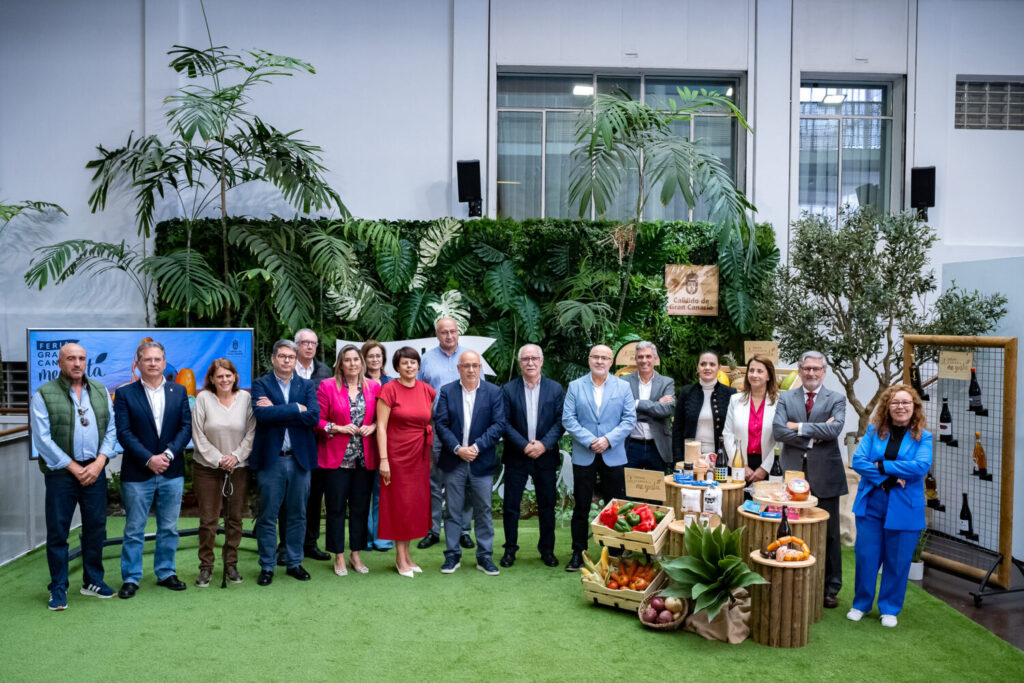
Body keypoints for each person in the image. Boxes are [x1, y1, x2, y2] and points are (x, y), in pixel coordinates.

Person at [31, 343, 118, 610]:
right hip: (62, 475)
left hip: (95, 470)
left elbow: (112, 429)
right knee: (58, 532)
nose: (77, 363)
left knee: (96, 528)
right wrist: (73, 467)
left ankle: (92, 581)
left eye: (81, 358)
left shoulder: (101, 391)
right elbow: (43, 440)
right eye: (71, 358)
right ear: (60, 363)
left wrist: (100, 462)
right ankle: (58, 588)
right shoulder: (44, 394)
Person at [114, 340, 192, 599]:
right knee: (134, 528)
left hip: (171, 470)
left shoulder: (179, 392)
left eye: (157, 359)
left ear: (164, 361)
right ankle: (131, 577)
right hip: (138, 472)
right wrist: (149, 459)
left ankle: (166, 572)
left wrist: (167, 454)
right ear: (138, 362)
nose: (153, 364)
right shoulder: (125, 394)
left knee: (169, 527)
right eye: (147, 359)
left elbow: (185, 428)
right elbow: (124, 433)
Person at [848, 385, 932, 628]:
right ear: (887, 406)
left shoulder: (923, 437)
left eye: (906, 403)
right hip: (872, 503)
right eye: (895, 403)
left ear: (914, 407)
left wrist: (883, 466)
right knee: (867, 556)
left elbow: (920, 467)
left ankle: (889, 608)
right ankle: (861, 604)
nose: (900, 407)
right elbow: (858, 461)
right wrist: (888, 478)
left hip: (905, 506)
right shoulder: (874, 432)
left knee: (898, 559)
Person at [772, 350, 847, 609]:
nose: (811, 373)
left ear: (824, 371)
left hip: (826, 474)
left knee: (830, 533)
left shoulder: (837, 398)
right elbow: (778, 430)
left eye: (816, 369)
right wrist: (815, 434)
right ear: (800, 370)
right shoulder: (786, 397)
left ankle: (830, 587)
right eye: (807, 369)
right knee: (790, 526)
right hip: (793, 473)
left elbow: (835, 429)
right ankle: (793, 579)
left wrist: (798, 427)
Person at [251, 340, 320, 586]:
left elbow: (313, 417)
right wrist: (294, 409)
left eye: (291, 357)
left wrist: (280, 410)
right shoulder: (261, 384)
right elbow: (262, 415)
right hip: (272, 461)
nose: (287, 360)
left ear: (296, 359)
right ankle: (267, 566)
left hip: (299, 460)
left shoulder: (307, 385)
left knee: (298, 515)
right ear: (273, 358)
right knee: (268, 516)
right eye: (282, 356)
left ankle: (294, 563)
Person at [562, 344, 637, 571]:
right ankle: (578, 552)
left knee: (614, 507)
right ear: (589, 359)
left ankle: (614, 552)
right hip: (585, 455)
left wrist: (607, 440)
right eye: (596, 357)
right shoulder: (575, 387)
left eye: (605, 358)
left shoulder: (623, 387)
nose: (600, 361)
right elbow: (568, 419)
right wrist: (589, 440)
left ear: (611, 362)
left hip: (613, 455)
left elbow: (629, 419)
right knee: (581, 506)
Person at [434, 350, 507, 576]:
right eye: (466, 366)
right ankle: (452, 555)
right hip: (454, 460)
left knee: (483, 510)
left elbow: (498, 425)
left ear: (480, 368)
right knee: (453, 510)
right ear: (459, 369)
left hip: (481, 460)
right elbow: (441, 424)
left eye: (475, 365)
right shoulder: (447, 392)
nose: (471, 370)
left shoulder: (494, 392)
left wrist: (474, 448)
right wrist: (458, 449)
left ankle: (485, 557)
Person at [316, 345, 381, 576]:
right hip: (336, 459)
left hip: (364, 460)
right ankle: (339, 556)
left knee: (360, 509)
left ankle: (355, 554)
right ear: (340, 364)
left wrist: (372, 427)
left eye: (356, 359)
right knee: (335, 509)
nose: (353, 364)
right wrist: (338, 428)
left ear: (362, 363)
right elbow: (318, 420)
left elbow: (380, 419)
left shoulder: (374, 386)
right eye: (348, 360)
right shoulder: (327, 386)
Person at [191, 358, 255, 587]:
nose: (225, 379)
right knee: (208, 520)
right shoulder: (203, 399)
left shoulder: (246, 399)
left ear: (235, 377)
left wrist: (235, 456)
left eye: (229, 375)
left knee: (234, 518)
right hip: (207, 469)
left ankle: (231, 564)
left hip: (238, 468)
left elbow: (251, 432)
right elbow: (197, 435)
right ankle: (206, 567)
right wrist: (219, 459)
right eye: (220, 376)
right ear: (211, 379)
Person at [501, 344, 564, 568]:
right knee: (511, 506)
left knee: (547, 506)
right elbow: (504, 423)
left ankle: (547, 550)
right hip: (517, 456)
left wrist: (544, 445)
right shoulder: (508, 389)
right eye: (525, 359)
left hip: (545, 457)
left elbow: (560, 422)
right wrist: (524, 445)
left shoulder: (555, 389)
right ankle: (510, 550)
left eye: (534, 358)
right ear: (520, 363)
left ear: (541, 361)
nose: (530, 362)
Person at [376, 346, 436, 578]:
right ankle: (400, 558)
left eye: (413, 362)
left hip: (419, 455)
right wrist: (384, 460)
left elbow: (426, 422)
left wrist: (428, 456)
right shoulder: (389, 389)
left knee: (413, 506)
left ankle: (408, 555)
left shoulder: (427, 390)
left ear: (418, 365)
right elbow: (381, 427)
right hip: (395, 456)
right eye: (404, 363)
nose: (409, 366)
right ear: (397, 367)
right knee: (400, 505)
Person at [417, 317, 473, 551]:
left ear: (458, 333)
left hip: (467, 428)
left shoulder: (469, 357)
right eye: (443, 332)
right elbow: (420, 392)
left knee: (465, 480)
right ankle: (433, 530)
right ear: (437, 335)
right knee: (435, 480)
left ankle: (463, 530)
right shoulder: (427, 359)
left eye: (452, 332)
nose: (449, 336)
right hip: (437, 428)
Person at [292, 328, 333, 563]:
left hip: (317, 442)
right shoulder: (286, 366)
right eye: (304, 342)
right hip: (289, 438)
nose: (309, 347)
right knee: (290, 497)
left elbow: (324, 406)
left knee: (314, 496)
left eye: (313, 343)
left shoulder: (325, 371)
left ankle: (310, 543)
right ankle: (286, 545)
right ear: (296, 345)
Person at [722, 355, 780, 482]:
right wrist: (740, 464)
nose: (754, 375)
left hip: (769, 466)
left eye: (760, 371)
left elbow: (782, 439)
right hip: (739, 465)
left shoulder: (780, 402)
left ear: (769, 376)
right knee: (737, 501)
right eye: (751, 370)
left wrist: (765, 468)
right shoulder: (735, 400)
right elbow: (728, 434)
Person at [671, 350, 735, 461]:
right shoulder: (686, 392)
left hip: (721, 457)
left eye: (712, 364)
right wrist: (678, 458)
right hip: (691, 457)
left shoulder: (730, 394)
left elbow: (735, 430)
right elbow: (677, 429)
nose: (707, 367)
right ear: (697, 368)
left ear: (719, 368)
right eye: (703, 364)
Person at [362, 340, 394, 552]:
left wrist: (377, 425)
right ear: (364, 359)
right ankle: (364, 537)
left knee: (383, 491)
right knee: (363, 492)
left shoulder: (391, 382)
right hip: (362, 442)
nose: (375, 359)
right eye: (371, 355)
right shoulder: (356, 381)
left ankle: (382, 538)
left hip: (387, 442)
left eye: (378, 355)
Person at [623, 341, 675, 472]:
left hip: (657, 445)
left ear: (655, 359)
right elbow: (621, 410)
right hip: (631, 445)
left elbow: (666, 410)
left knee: (656, 490)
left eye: (648, 356)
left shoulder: (667, 382)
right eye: (640, 357)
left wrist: (636, 403)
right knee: (630, 489)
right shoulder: (624, 382)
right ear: (635, 359)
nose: (644, 360)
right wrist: (656, 405)